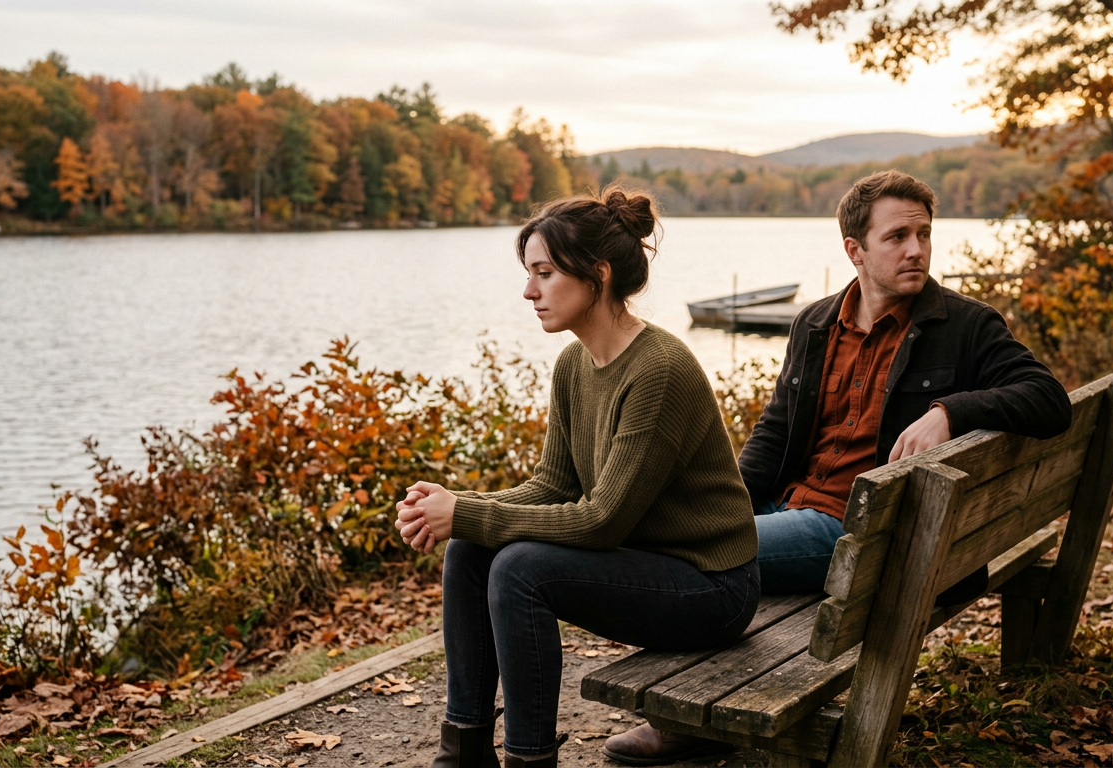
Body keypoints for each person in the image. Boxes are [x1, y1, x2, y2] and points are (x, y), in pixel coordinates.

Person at [602, 170, 1073, 765]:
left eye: (924, 234)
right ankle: (686, 710)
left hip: (861, 530)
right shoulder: (816, 323)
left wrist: (950, 411)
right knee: (687, 533)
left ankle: (680, 721)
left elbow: (1048, 398)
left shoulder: (965, 326)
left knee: (691, 554)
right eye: (897, 236)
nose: (916, 249)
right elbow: (775, 432)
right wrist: (725, 504)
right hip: (795, 505)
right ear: (855, 250)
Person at [395, 188, 761, 768]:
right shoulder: (573, 364)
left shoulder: (659, 370)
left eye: (544, 273)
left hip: (712, 588)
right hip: (650, 567)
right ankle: (462, 753)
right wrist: (457, 509)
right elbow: (552, 486)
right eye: (529, 273)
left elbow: (601, 521)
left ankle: (529, 760)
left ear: (599, 274)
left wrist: (465, 511)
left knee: (520, 569)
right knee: (469, 550)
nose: (529, 291)